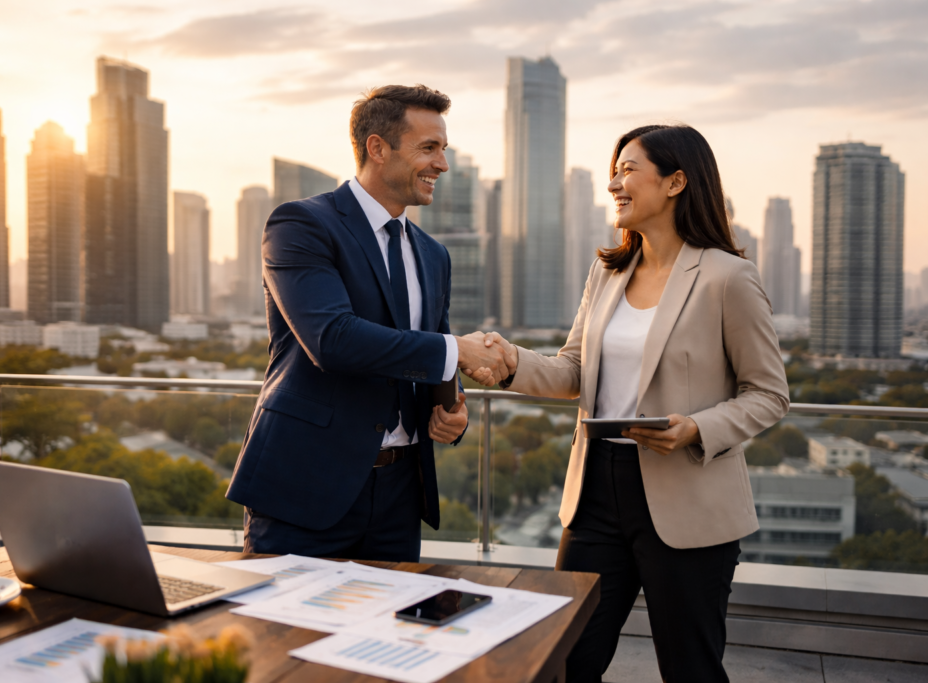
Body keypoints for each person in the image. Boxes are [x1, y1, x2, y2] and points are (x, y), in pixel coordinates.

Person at [467, 125, 789, 682]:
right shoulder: (608, 272)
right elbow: (574, 370)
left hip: (686, 494)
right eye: (613, 170)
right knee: (566, 658)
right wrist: (510, 360)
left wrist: (696, 428)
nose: (615, 183)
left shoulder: (727, 278)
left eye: (628, 169)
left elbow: (768, 394)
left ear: (676, 182)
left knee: (690, 669)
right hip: (594, 491)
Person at [225, 85, 511, 563]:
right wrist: (456, 350)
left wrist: (451, 410)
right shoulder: (301, 225)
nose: (442, 164)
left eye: (444, 149)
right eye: (429, 148)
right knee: (286, 635)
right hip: (306, 490)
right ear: (378, 148)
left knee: (395, 633)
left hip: (400, 496)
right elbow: (331, 339)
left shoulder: (433, 254)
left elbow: (430, 353)